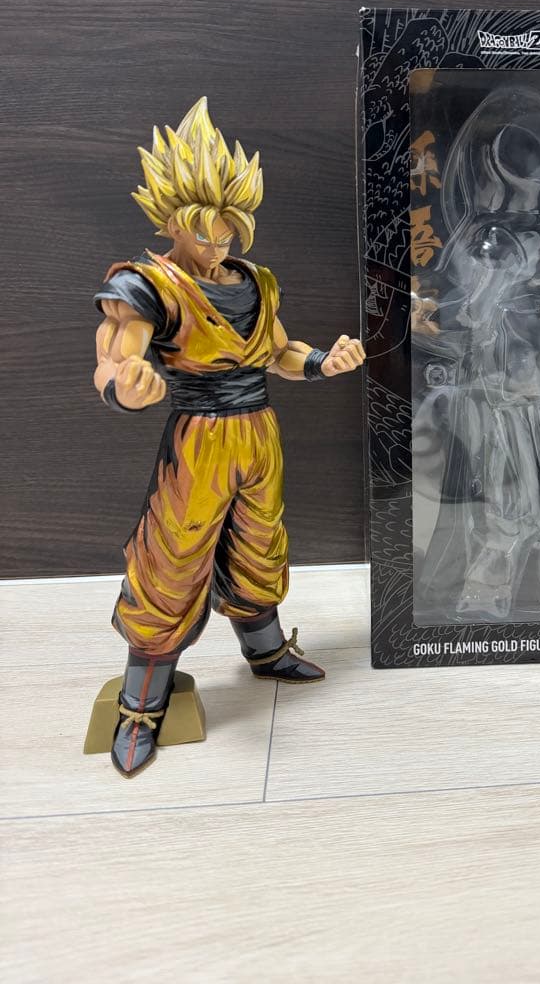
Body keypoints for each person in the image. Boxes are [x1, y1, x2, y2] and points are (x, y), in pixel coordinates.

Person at [93, 97, 365, 777]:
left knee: (259, 543)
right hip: (198, 442)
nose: (217, 246)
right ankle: (141, 702)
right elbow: (115, 357)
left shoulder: (255, 282)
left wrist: (322, 363)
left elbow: (277, 352)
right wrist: (129, 384)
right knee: (172, 557)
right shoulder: (146, 285)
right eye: (204, 233)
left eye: (227, 232)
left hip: (257, 434)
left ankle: (265, 650)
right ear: (171, 220)